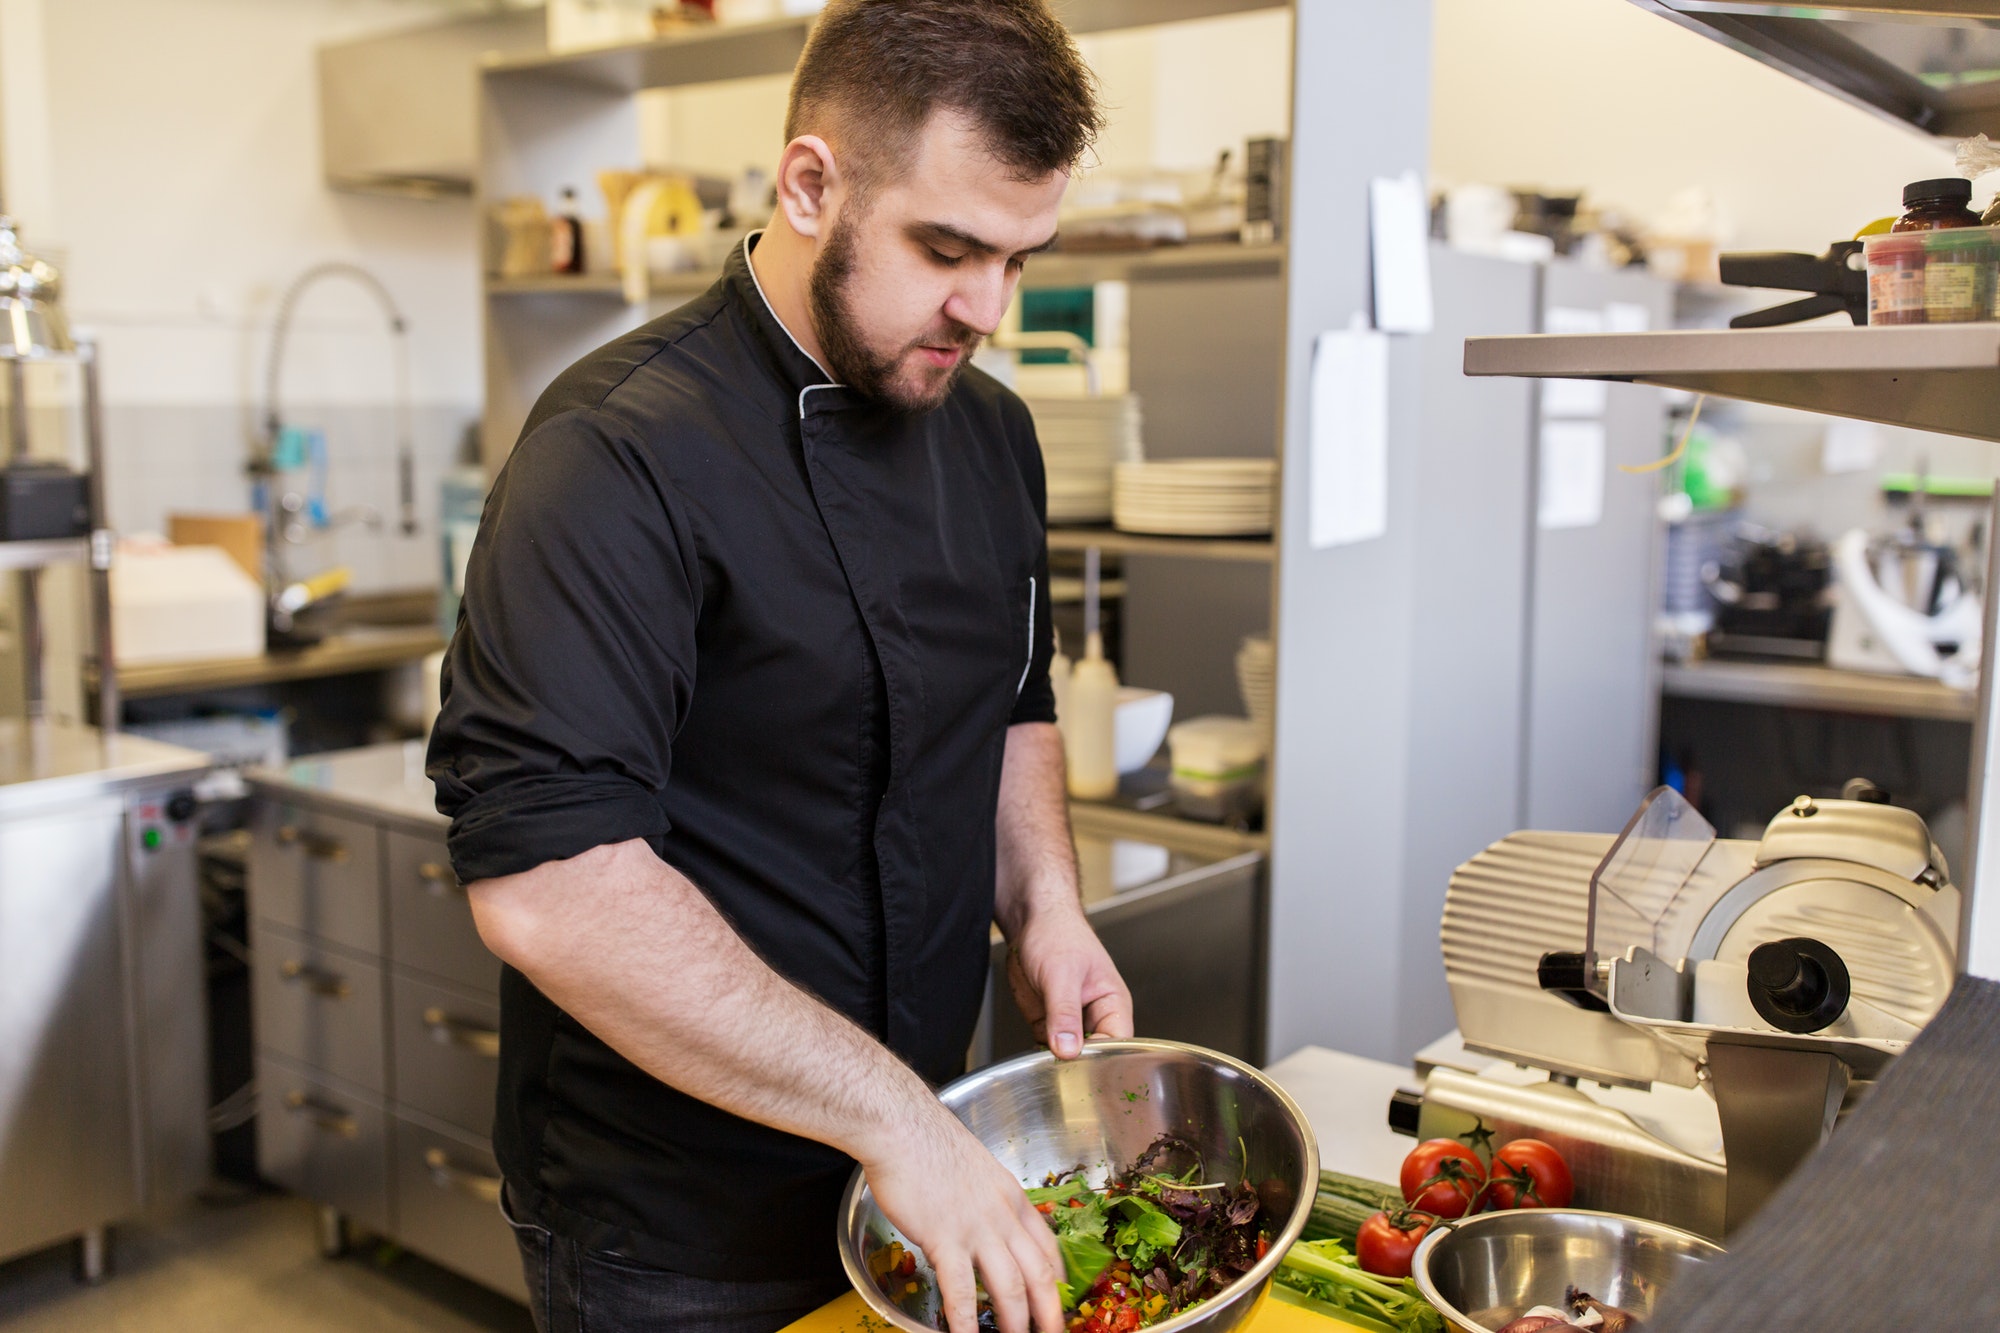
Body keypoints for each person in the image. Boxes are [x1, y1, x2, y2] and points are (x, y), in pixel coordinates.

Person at [426, 4, 1129, 1332]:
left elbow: (1013, 702)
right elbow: (552, 893)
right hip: (677, 1228)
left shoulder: (994, 435)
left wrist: (1044, 906)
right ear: (812, 183)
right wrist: (896, 1121)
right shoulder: (615, 454)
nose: (986, 307)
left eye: (1020, 258)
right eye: (948, 249)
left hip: (924, 1170)